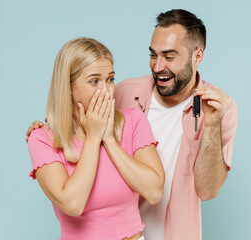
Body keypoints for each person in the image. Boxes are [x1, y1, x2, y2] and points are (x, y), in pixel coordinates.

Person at [27, 9, 238, 240]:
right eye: (153, 55)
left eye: (168, 57)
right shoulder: (126, 93)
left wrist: (212, 125)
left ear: (197, 57)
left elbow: (205, 190)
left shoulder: (217, 108)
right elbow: (77, 112)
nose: (158, 67)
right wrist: (52, 126)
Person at [27, 37, 165, 240]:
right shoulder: (42, 139)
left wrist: (108, 139)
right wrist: (93, 138)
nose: (106, 89)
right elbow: (73, 204)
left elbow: (154, 192)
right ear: (69, 87)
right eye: (94, 81)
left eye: (110, 79)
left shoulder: (133, 121)